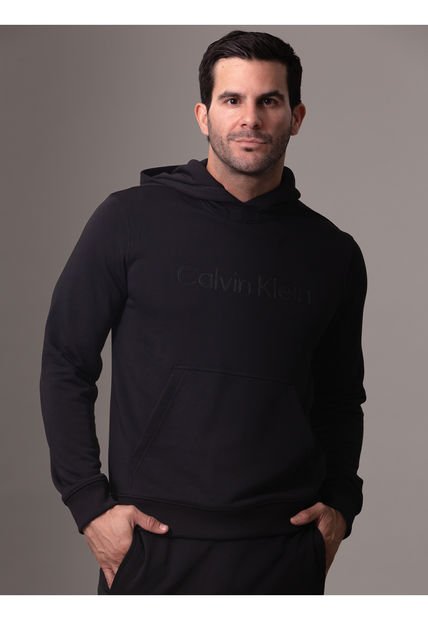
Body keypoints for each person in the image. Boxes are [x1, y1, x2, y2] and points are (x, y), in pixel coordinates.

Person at [39, 29, 368, 595]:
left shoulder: (332, 253)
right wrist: (88, 504)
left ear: (296, 116)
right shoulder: (128, 221)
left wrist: (340, 505)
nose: (250, 118)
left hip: (283, 549)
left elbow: (341, 398)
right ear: (203, 115)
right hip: (153, 544)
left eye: (269, 100)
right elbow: (66, 362)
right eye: (232, 99)